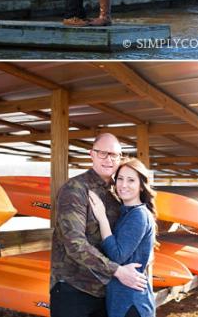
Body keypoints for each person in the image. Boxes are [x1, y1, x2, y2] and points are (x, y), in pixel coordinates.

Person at [50, 133, 148, 317]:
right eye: (102, 153)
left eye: (114, 155)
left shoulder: (119, 191)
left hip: (105, 291)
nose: (108, 159)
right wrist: (117, 270)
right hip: (74, 289)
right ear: (91, 154)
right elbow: (74, 244)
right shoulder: (75, 189)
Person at [88, 158, 156, 317]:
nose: (123, 185)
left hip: (131, 303)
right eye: (120, 179)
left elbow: (117, 255)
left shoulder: (138, 215)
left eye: (131, 180)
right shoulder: (127, 212)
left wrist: (102, 218)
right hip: (123, 300)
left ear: (141, 186)